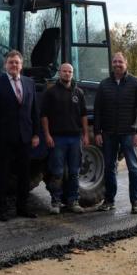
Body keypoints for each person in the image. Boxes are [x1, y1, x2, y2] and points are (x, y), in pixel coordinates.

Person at [0, 50, 41, 221]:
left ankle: (22, 208)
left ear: (21, 65)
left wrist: (36, 134)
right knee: (2, 174)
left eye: (17, 62)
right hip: (3, 138)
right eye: (11, 62)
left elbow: (34, 110)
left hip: (25, 137)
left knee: (24, 175)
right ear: (5, 65)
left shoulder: (29, 83)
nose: (14, 65)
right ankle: (1, 210)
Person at [93, 52, 137, 214]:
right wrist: (97, 132)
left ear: (126, 64)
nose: (117, 64)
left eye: (120, 62)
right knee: (109, 167)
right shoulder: (104, 85)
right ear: (112, 64)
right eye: (115, 62)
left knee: (133, 167)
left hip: (129, 134)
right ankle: (109, 200)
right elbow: (98, 110)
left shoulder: (136, 83)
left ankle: (135, 202)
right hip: (108, 134)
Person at [41, 63, 88, 215]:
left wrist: (86, 135)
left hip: (75, 139)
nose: (67, 74)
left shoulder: (79, 93)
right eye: (64, 71)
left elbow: (84, 116)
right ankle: (56, 202)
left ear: (72, 74)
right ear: (59, 73)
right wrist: (47, 135)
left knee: (74, 172)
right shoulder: (51, 92)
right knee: (57, 172)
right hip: (57, 139)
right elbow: (44, 116)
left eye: (70, 72)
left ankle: (73, 201)